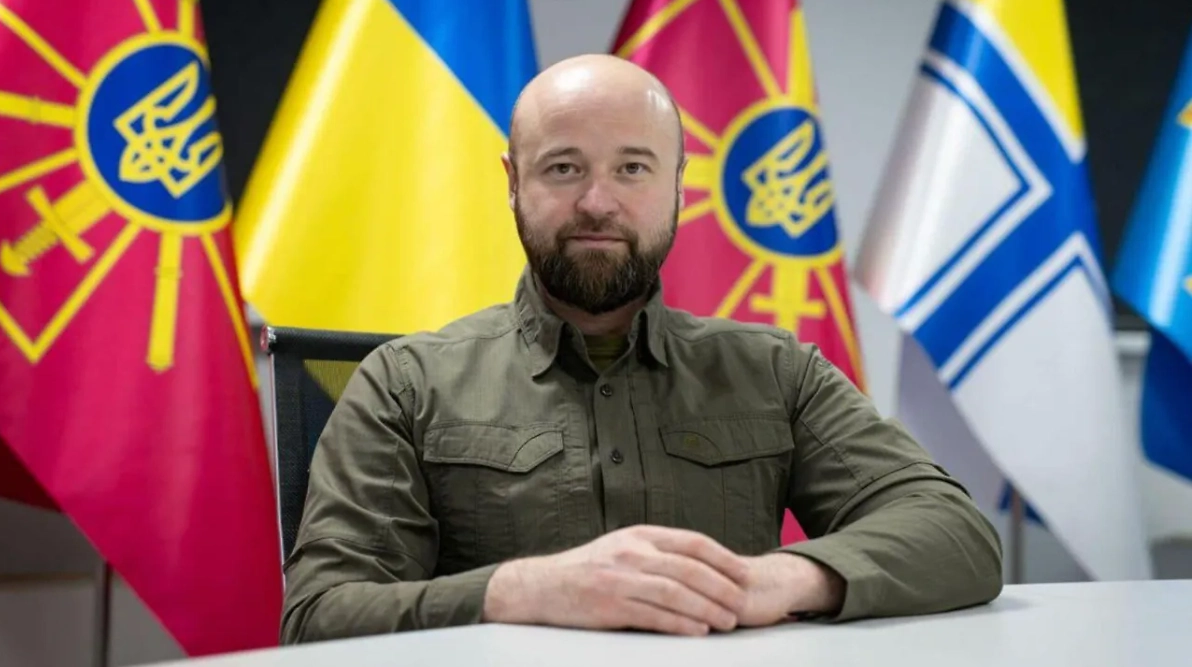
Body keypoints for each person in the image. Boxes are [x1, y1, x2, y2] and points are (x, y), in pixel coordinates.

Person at [280, 54, 1003, 644]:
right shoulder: (403, 383)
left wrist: (771, 581)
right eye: (564, 168)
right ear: (513, 183)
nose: (598, 201)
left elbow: (956, 534)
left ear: (678, 186)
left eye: (632, 168)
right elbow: (320, 614)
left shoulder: (776, 372)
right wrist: (526, 590)